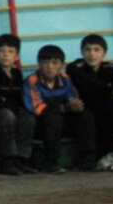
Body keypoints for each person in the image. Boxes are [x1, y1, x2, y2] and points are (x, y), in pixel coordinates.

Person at [24, 44, 91, 173]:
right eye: (45, 63)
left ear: (61, 65)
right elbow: (36, 107)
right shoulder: (31, 81)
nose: (50, 67)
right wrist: (64, 108)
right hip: (41, 121)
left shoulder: (65, 79)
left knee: (85, 115)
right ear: (38, 64)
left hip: (61, 114)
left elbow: (71, 97)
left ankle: (85, 159)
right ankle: (50, 162)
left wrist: (76, 104)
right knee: (53, 119)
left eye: (55, 63)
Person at [0, 35, 36, 174]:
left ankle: (23, 158)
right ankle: (8, 159)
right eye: (2, 51)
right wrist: (10, 108)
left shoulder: (17, 74)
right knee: (7, 116)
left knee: (28, 117)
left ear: (16, 56)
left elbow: (21, 97)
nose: (5, 55)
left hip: (14, 109)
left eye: (10, 51)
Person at [69, 35, 113, 172]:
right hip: (80, 109)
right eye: (87, 50)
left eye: (96, 50)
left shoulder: (109, 69)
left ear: (104, 53)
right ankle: (104, 155)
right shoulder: (74, 68)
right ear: (82, 52)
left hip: (103, 108)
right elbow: (90, 86)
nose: (92, 54)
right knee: (100, 107)